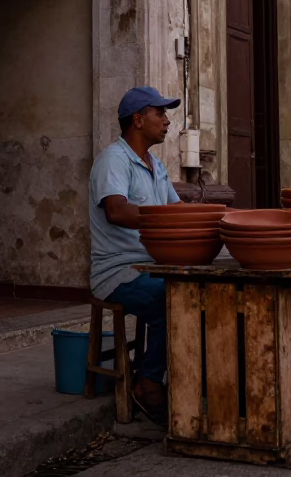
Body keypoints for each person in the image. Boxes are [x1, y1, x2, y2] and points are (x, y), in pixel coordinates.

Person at [88, 86, 181, 424]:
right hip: (117, 273)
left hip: (151, 266)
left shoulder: (156, 165)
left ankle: (185, 380)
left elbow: (177, 210)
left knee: (200, 293)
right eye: (161, 114)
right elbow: (116, 210)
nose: (167, 121)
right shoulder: (113, 159)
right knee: (172, 301)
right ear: (139, 120)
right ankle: (148, 384)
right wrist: (166, 218)